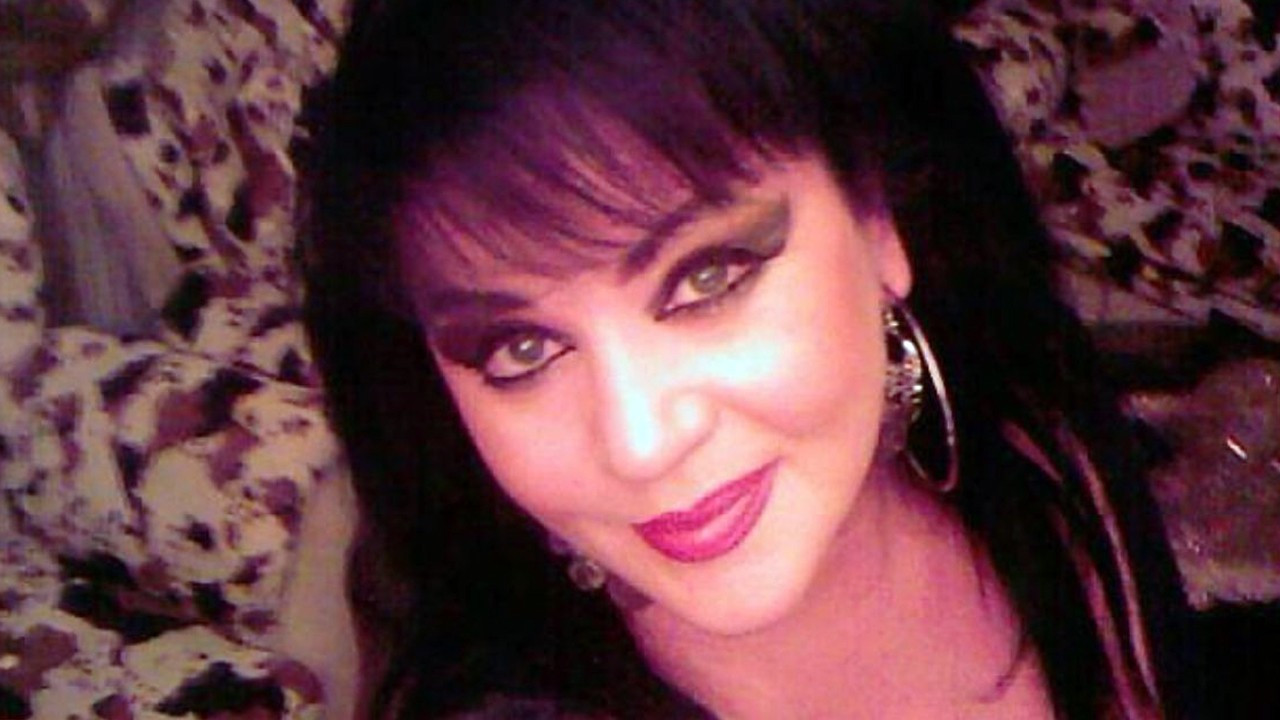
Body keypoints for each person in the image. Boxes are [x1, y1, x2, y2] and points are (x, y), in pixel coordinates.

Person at [303, 0, 1200, 717]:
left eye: (707, 279)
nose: (640, 443)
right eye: (522, 349)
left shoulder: (1038, 448)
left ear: (876, 219)